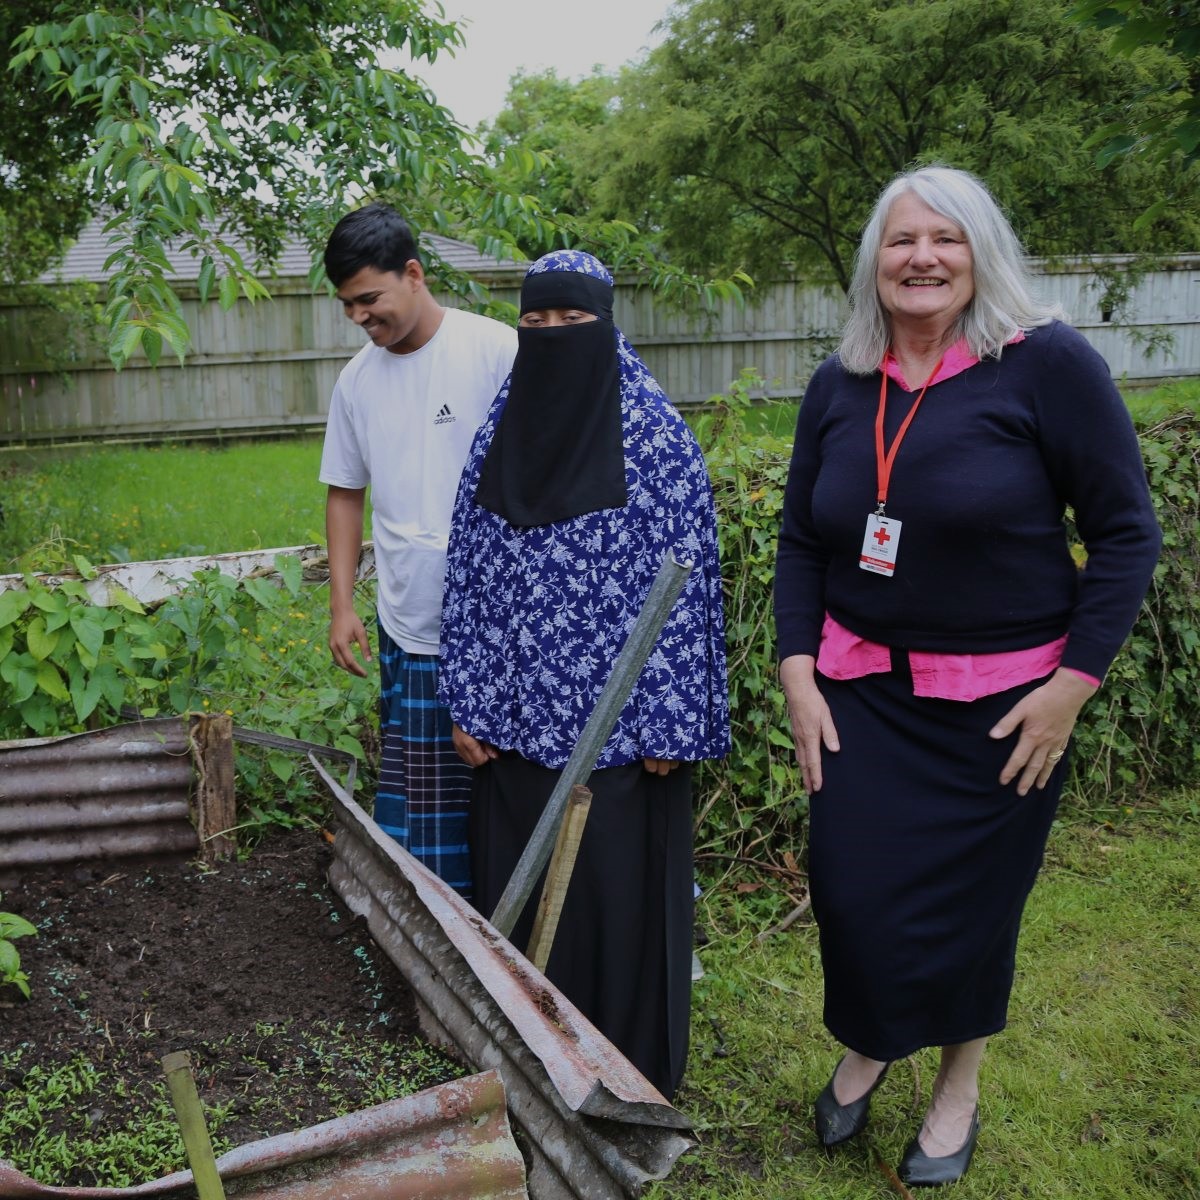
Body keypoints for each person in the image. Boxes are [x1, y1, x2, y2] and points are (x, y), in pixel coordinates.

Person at [773, 166, 1161, 1186]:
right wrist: (797, 669)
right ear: (874, 262)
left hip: (1005, 709)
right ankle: (872, 1040)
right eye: (902, 240)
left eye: (946, 238)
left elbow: (1125, 535)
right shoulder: (840, 383)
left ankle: (957, 1087)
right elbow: (801, 543)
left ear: (981, 253)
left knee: (972, 908)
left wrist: (1073, 685)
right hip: (859, 695)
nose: (923, 258)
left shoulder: (1048, 367)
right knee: (855, 892)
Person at [438, 249, 730, 1099]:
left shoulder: (656, 437)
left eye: (572, 323)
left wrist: (672, 724)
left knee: (618, 911)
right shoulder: (499, 435)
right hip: (515, 737)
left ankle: (627, 1076)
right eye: (536, 324)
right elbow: (471, 580)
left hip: (626, 743)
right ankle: (529, 1066)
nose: (553, 338)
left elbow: (690, 582)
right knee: (526, 914)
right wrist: (470, 702)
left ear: (607, 326)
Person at [318, 202, 516, 900]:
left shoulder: (495, 350)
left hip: (502, 623)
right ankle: (438, 931)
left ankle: (513, 932)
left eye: (370, 299)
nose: (361, 319)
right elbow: (345, 492)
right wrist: (343, 607)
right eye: (348, 306)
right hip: (408, 623)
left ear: (414, 272)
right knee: (423, 810)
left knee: (507, 789)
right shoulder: (357, 382)